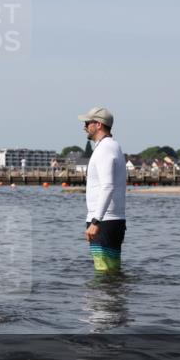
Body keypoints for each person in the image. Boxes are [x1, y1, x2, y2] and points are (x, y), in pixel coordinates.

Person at [79, 107, 126, 275]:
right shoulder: (112, 146)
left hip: (104, 221)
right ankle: (114, 300)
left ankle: (101, 302)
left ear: (98, 124)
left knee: (103, 272)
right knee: (111, 273)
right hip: (111, 219)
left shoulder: (105, 149)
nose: (84, 126)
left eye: (87, 123)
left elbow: (108, 186)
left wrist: (95, 221)